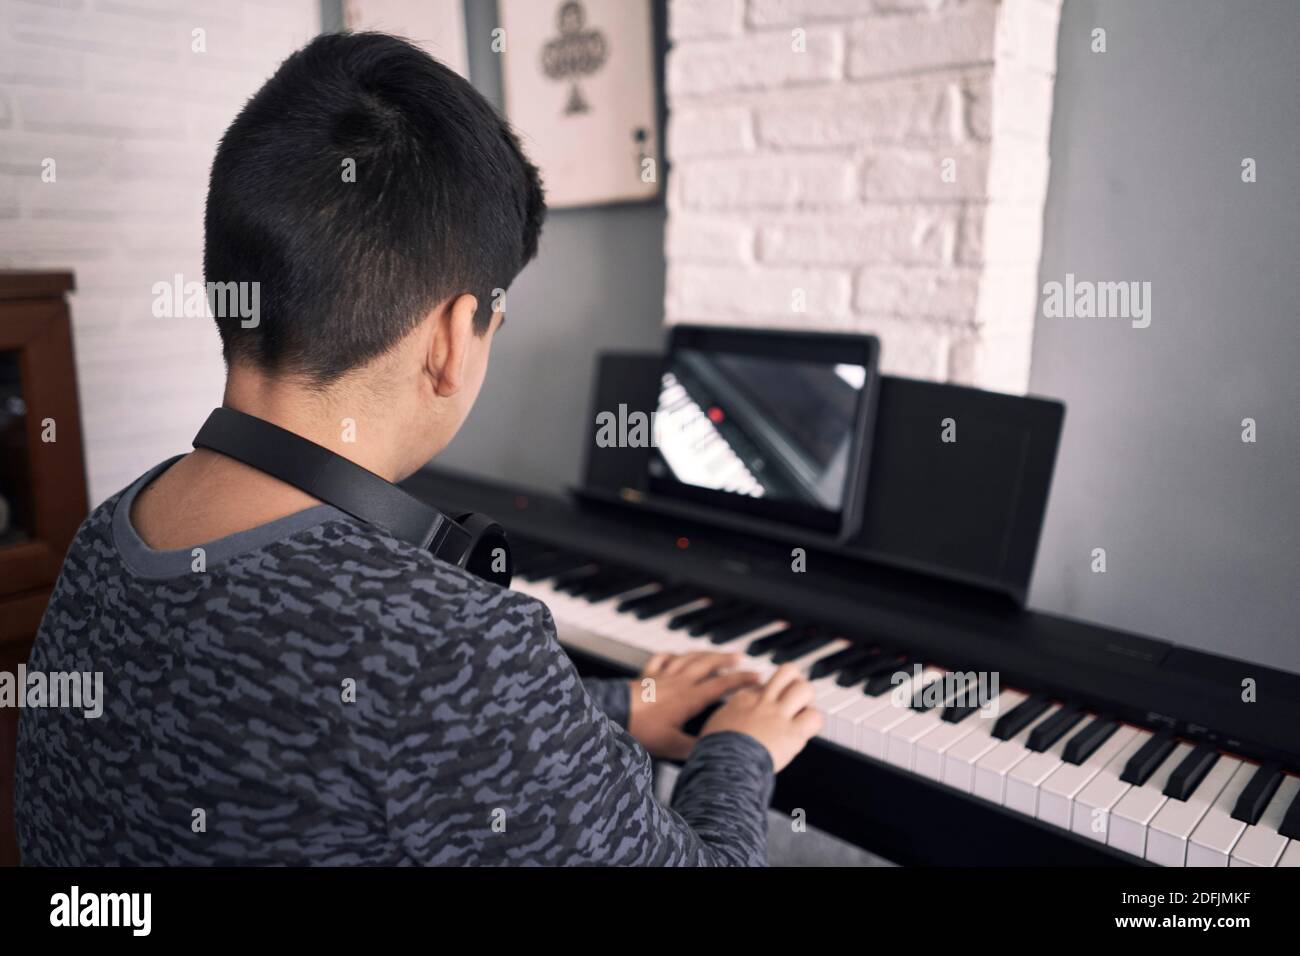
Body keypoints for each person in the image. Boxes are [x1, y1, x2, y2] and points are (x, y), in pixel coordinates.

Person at [15, 32, 821, 866]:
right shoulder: (452, 649)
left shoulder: (106, 535)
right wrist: (740, 746)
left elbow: (370, 742)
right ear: (449, 338)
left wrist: (615, 706)